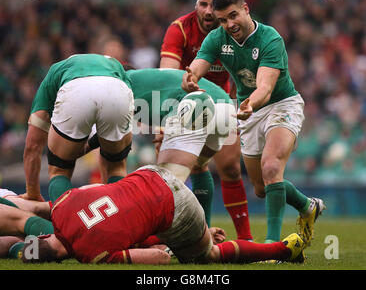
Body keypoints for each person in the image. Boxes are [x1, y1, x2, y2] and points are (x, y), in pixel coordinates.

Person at [181, 0, 325, 245]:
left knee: (271, 167)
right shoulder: (216, 38)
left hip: (280, 104)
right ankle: (307, 205)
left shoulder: (270, 39)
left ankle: (271, 246)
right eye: (223, 19)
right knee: (261, 188)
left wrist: (249, 104)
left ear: (246, 9)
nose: (229, 24)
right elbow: (196, 68)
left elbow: (266, 89)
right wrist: (190, 79)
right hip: (248, 110)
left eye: (233, 16)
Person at [6, 165, 305, 264]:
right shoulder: (62, 205)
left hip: (176, 209)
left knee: (206, 257)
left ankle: (283, 250)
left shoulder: (91, 254)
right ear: (44, 234)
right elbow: (115, 211)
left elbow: (160, 257)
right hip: (153, 173)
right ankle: (198, 231)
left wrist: (182, 244)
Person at [86, 67, 237, 227]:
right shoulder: (147, 83)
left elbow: (112, 133)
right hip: (226, 109)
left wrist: (82, 149)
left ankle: (160, 239)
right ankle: (205, 231)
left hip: (196, 104)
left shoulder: (121, 86)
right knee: (199, 167)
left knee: (164, 185)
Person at [160, 0, 252, 240]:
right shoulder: (179, 29)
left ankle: (246, 239)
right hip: (185, 105)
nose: (209, 11)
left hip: (224, 104)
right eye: (203, 4)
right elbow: (167, 76)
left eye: (214, 5)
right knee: (193, 168)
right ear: (196, 5)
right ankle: (200, 237)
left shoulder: (231, 30)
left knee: (232, 169)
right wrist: (164, 121)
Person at [22, 54, 135, 203]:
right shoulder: (116, 66)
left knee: (59, 169)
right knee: (116, 167)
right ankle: (120, 218)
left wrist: (32, 193)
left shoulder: (55, 71)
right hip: (117, 90)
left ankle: (64, 222)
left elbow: (33, 144)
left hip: (75, 90)